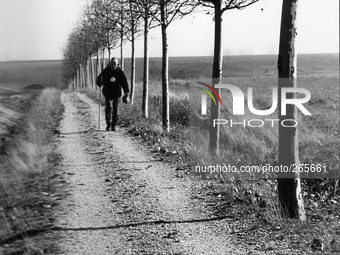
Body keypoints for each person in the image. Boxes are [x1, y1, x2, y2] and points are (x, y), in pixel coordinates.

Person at [96, 57, 129, 131]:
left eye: (115, 64)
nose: (113, 65)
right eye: (112, 63)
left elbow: (124, 83)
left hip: (116, 93)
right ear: (110, 63)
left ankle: (113, 126)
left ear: (117, 64)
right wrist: (99, 82)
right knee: (109, 107)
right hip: (107, 92)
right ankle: (108, 124)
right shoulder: (105, 71)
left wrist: (126, 93)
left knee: (115, 109)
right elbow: (99, 80)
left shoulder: (120, 72)